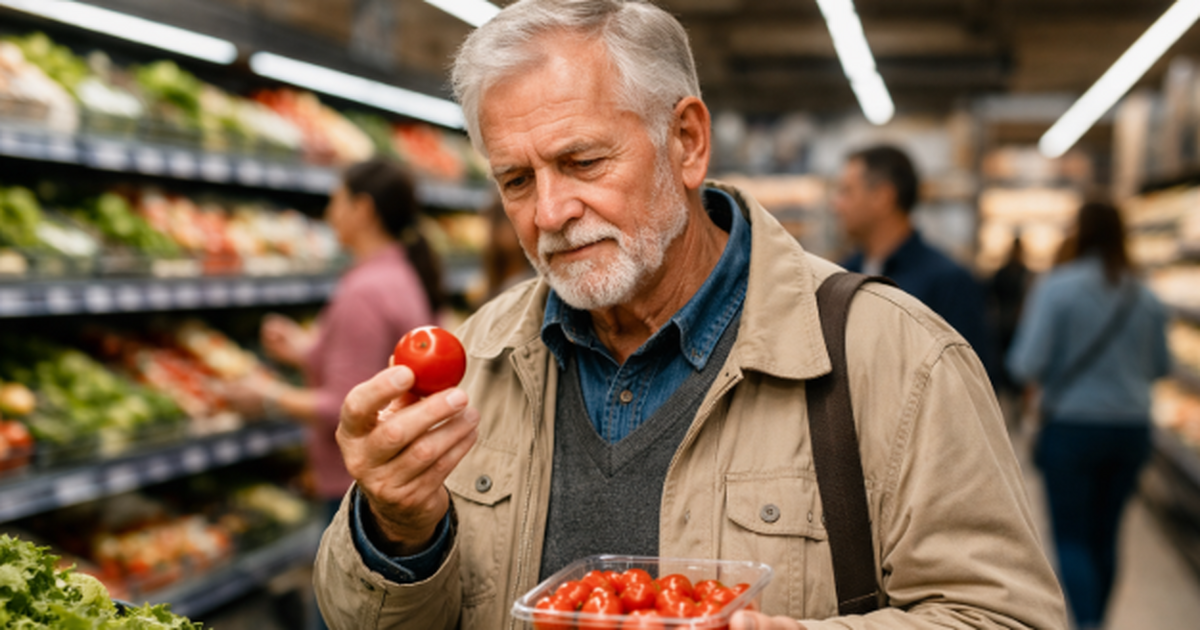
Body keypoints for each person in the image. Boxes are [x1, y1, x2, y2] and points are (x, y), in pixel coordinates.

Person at [313, 2, 1066, 629]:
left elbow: (1004, 616)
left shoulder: (894, 358)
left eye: (583, 162)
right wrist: (399, 530)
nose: (549, 213)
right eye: (515, 179)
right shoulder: (473, 362)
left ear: (686, 141)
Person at [226, 158, 443, 523]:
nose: (329, 214)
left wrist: (267, 396)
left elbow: (344, 405)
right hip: (386, 476)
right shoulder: (399, 274)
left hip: (355, 485)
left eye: (335, 202)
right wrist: (307, 352)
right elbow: (376, 368)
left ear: (362, 209)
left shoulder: (364, 291)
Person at [1007, 201, 1171, 630]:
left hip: (1072, 426)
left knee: (1072, 535)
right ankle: (1099, 618)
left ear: (1078, 232)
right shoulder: (1145, 293)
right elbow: (1161, 366)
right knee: (1107, 534)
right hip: (1132, 428)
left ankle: (1089, 622)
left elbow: (1026, 363)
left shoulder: (1057, 288)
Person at [834, 145, 994, 376]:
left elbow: (974, 382)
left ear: (882, 196)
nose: (836, 204)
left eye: (846, 191)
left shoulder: (949, 281)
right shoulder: (842, 275)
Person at [987, 235, 1033, 425]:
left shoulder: (1015, 273)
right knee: (1005, 369)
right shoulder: (1012, 273)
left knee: (1010, 372)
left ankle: (1012, 408)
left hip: (1010, 326)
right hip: (1007, 326)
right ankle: (1008, 407)